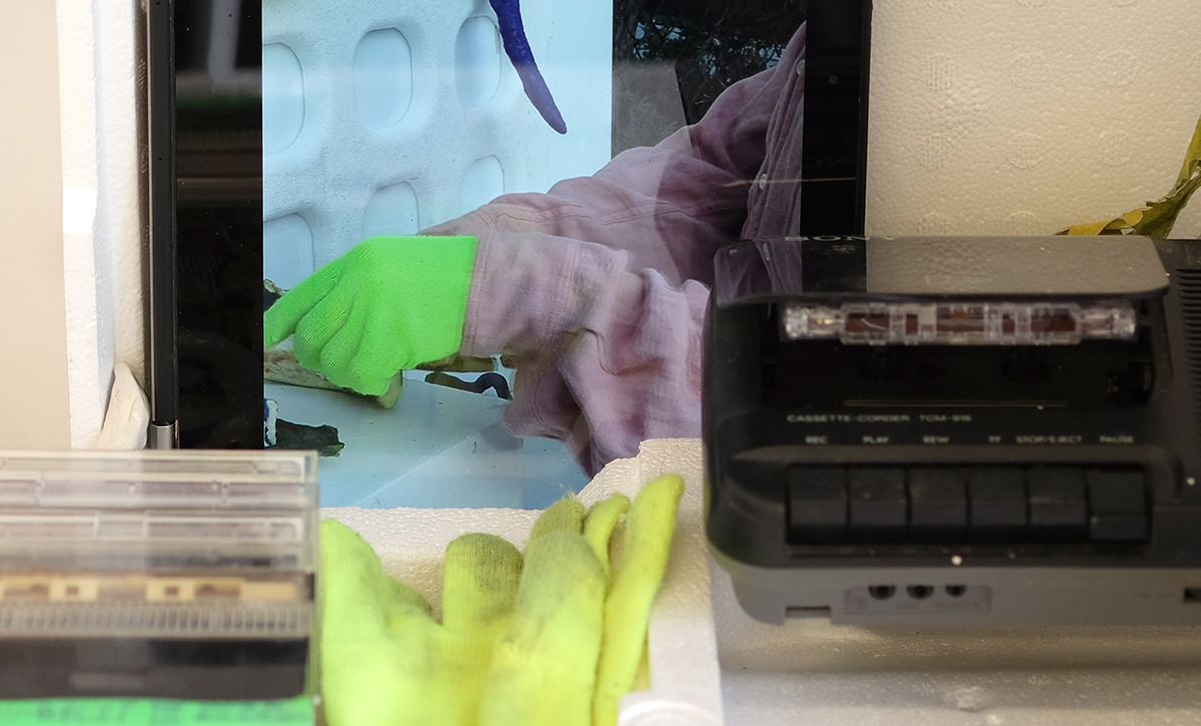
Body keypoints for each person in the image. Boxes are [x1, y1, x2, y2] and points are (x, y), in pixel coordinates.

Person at [264, 24, 805, 475]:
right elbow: (705, 184)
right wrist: (489, 244)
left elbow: (813, 394)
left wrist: (524, 294)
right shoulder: (828, 29)